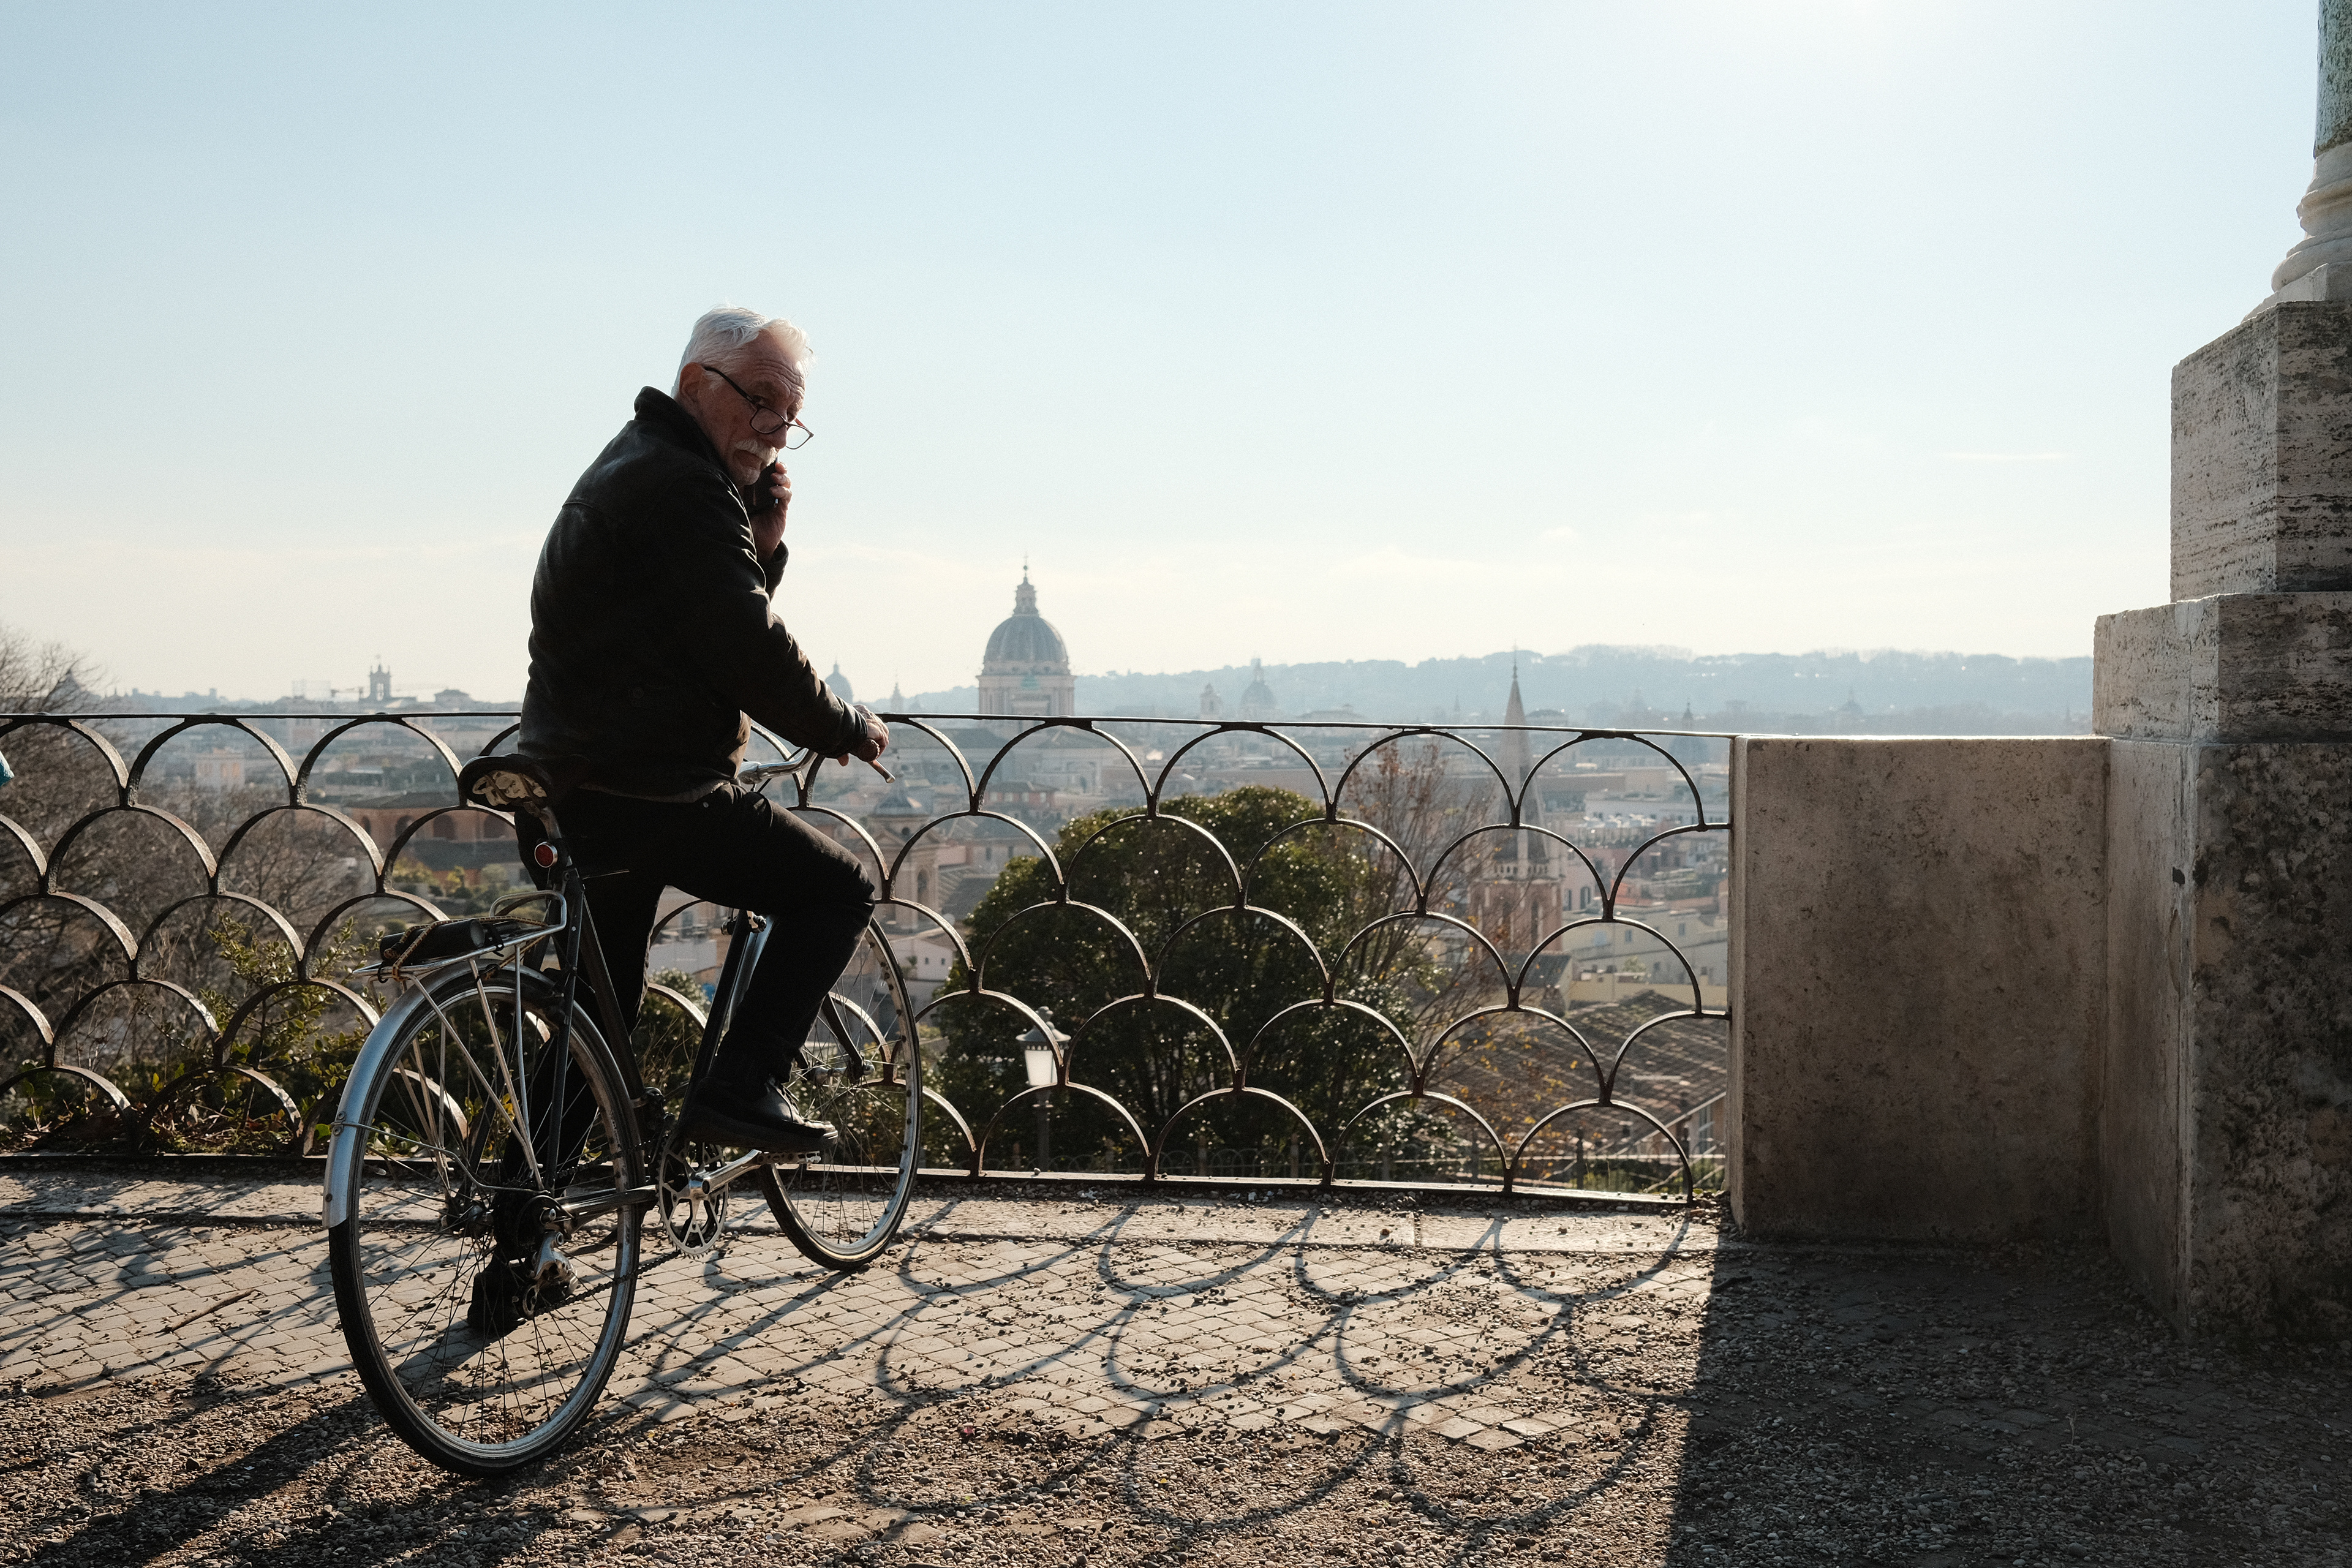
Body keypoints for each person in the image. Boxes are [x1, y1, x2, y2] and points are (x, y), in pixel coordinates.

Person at [518, 305, 888, 1153]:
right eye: (760, 400)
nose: (772, 431)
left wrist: (760, 542)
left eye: (787, 418)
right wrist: (844, 726)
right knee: (839, 891)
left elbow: (692, 621)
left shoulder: (633, 466)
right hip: (655, 790)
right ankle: (742, 1085)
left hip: (570, 785)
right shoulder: (686, 485)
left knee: (595, 1031)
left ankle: (518, 1240)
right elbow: (744, 647)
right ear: (695, 385)